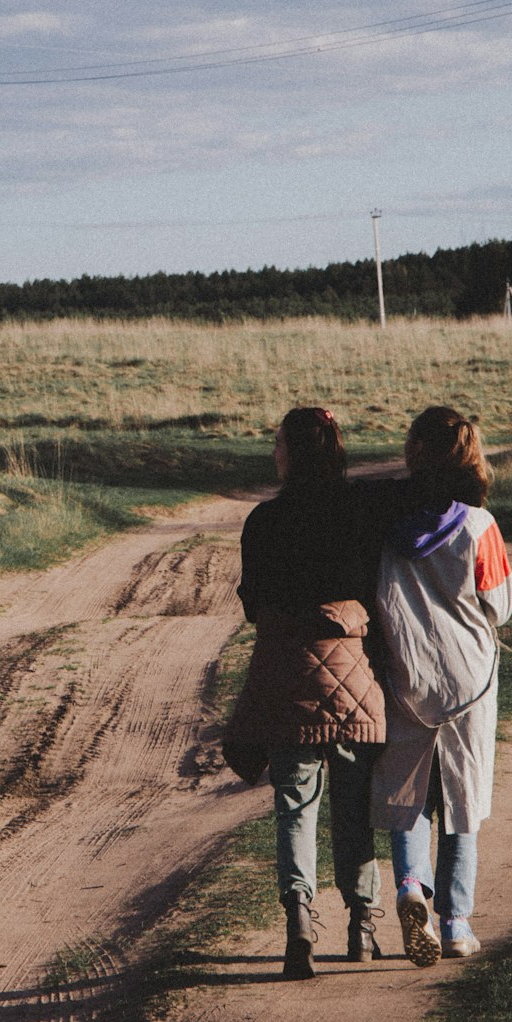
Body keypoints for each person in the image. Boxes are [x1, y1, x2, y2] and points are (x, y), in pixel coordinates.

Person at [224, 407, 387, 979]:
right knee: (353, 806)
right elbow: (377, 587)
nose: (273, 451)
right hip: (352, 680)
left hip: (288, 678)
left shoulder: (264, 522)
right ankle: (362, 923)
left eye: (278, 443)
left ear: (291, 453)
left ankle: (299, 919)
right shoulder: (359, 512)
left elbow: (253, 604)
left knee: (294, 805)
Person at [370, 406, 512, 965]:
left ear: (414, 452)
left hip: (406, 673)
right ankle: (455, 923)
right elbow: (500, 606)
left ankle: (411, 885)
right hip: (469, 680)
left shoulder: (385, 524)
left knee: (408, 791)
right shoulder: (480, 527)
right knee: (463, 797)